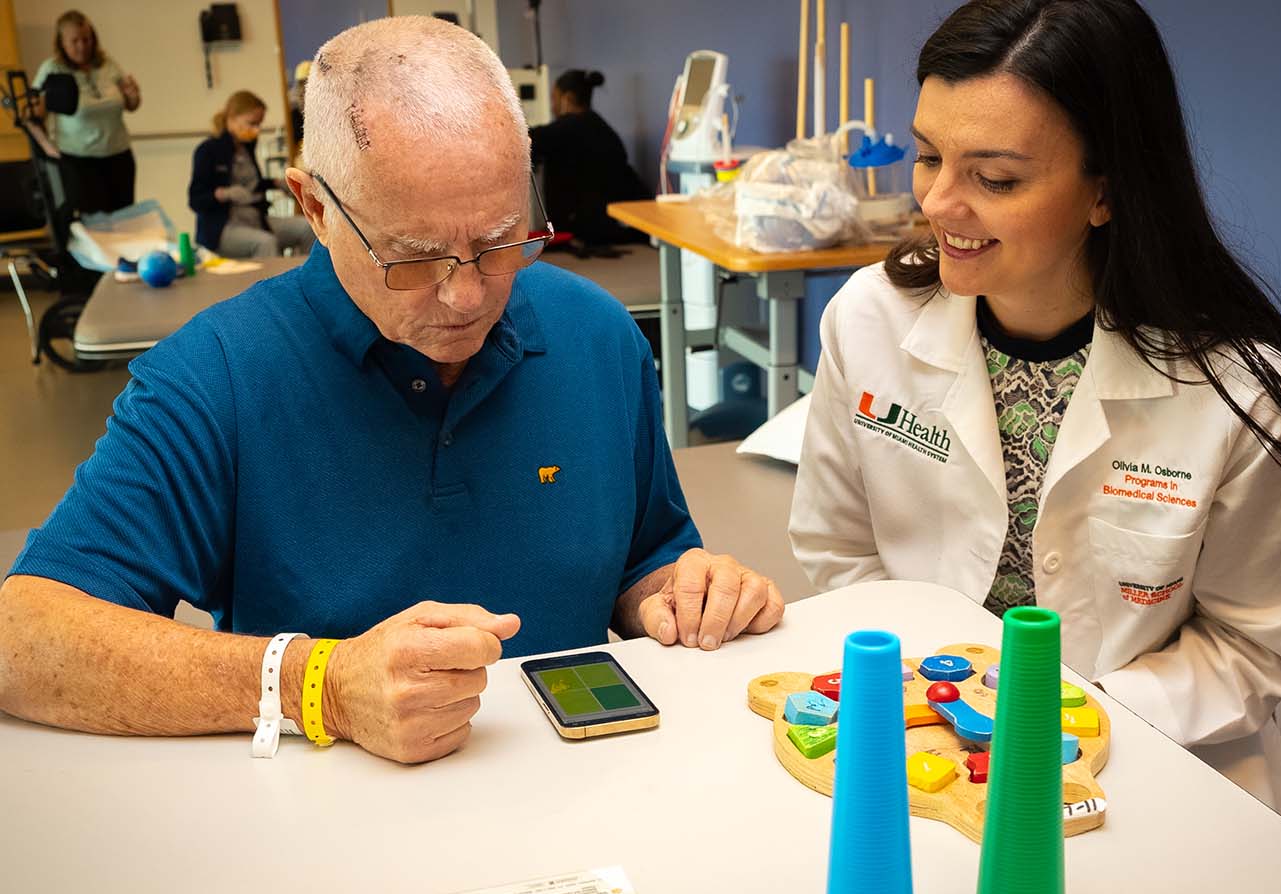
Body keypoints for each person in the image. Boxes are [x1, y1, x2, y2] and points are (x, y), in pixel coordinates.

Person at [0, 17, 783, 765]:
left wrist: (682, 591)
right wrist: (322, 687)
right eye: (414, 258)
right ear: (314, 207)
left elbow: (646, 556)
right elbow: (23, 639)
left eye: (500, 241)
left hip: (578, 799)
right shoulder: (215, 378)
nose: (468, 296)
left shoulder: (599, 337)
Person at [788, 0, 1281, 816]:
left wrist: (1078, 720)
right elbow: (838, 549)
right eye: (927, 156)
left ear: (1106, 191)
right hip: (918, 747)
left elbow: (1263, 644)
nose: (939, 203)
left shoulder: (1239, 390)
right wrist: (935, 709)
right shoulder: (869, 319)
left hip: (1156, 763)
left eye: (996, 178)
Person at [31, 9, 140, 214]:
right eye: (75, 41)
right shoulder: (53, 69)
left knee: (124, 223)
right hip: (79, 162)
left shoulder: (108, 64)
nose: (82, 46)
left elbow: (130, 104)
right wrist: (47, 147)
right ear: (62, 42)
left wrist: (134, 96)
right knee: (93, 226)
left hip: (119, 157)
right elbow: (33, 116)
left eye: (87, 39)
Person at [528, 69, 649, 249]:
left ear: (566, 99)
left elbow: (526, 141)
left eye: (554, 99)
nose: (552, 106)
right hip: (621, 223)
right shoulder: (604, 129)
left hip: (587, 228)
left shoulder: (564, 129)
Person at [188, 90, 314, 258]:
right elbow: (196, 199)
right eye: (252, 123)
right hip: (223, 227)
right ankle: (269, 284)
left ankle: (308, 279)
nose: (256, 130)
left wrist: (278, 183)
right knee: (266, 242)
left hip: (255, 219)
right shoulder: (207, 150)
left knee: (307, 228)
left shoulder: (247, 148)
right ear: (232, 118)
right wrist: (224, 194)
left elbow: (252, 184)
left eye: (259, 124)